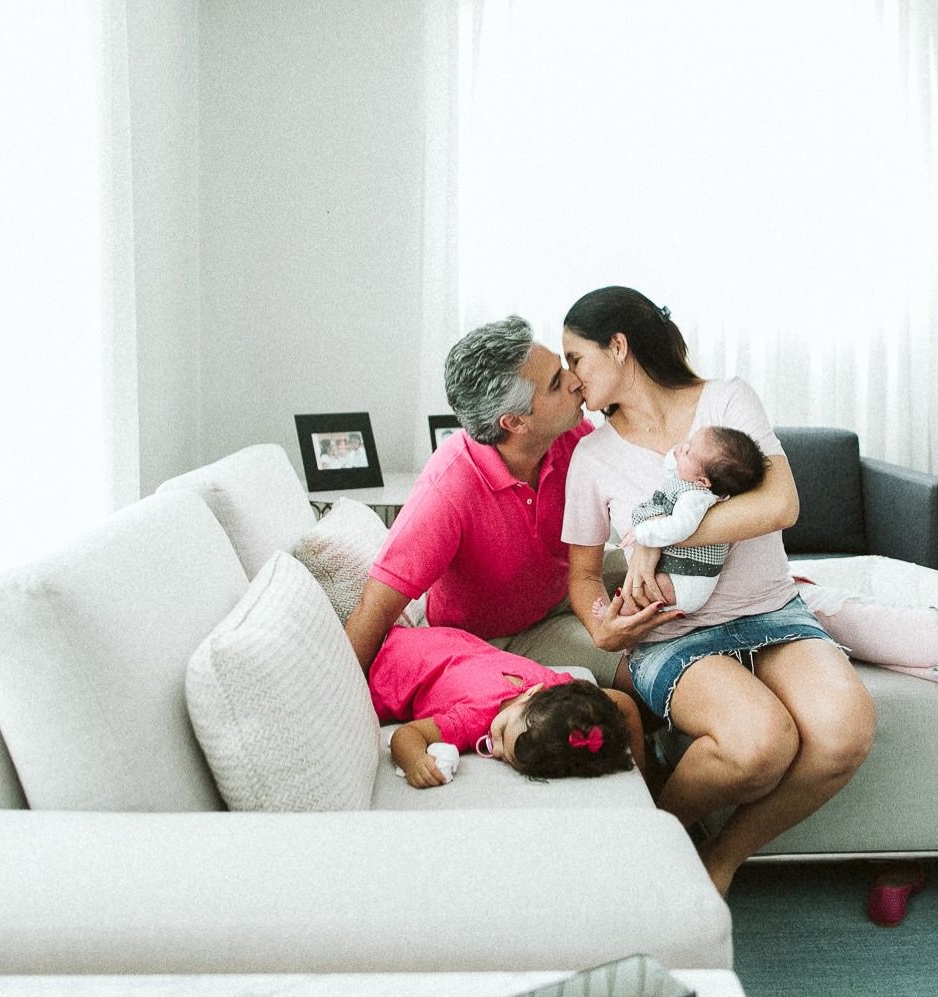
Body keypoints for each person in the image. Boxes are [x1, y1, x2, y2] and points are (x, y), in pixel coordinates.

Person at [560, 286, 876, 896]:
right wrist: (602, 627)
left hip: (772, 612)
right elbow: (581, 576)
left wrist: (654, 540)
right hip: (674, 634)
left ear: (618, 347)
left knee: (846, 732)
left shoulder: (727, 401)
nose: (572, 378)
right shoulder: (591, 456)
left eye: (577, 358)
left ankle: (719, 859)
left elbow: (780, 505)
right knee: (758, 743)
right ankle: (649, 839)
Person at [345, 316, 622, 684]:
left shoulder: (569, 435)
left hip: (560, 586)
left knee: (666, 570)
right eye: (557, 383)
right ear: (515, 423)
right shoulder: (448, 488)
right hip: (504, 635)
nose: (575, 381)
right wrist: (347, 700)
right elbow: (375, 608)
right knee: (636, 666)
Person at [369, 624, 643, 788]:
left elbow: (624, 704)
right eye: (500, 734)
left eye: (504, 755)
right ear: (531, 694)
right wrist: (415, 761)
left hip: (439, 640)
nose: (496, 749)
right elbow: (407, 735)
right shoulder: (473, 717)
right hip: (389, 665)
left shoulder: (554, 688)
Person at [604, 425, 768, 617]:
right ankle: (620, 611)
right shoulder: (690, 480)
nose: (682, 447)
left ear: (703, 482)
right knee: (642, 585)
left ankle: (616, 613)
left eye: (688, 451)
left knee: (644, 591)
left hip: (688, 581)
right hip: (681, 573)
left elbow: (680, 528)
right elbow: (671, 469)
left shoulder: (695, 498)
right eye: (689, 442)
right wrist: (680, 453)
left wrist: (644, 533)